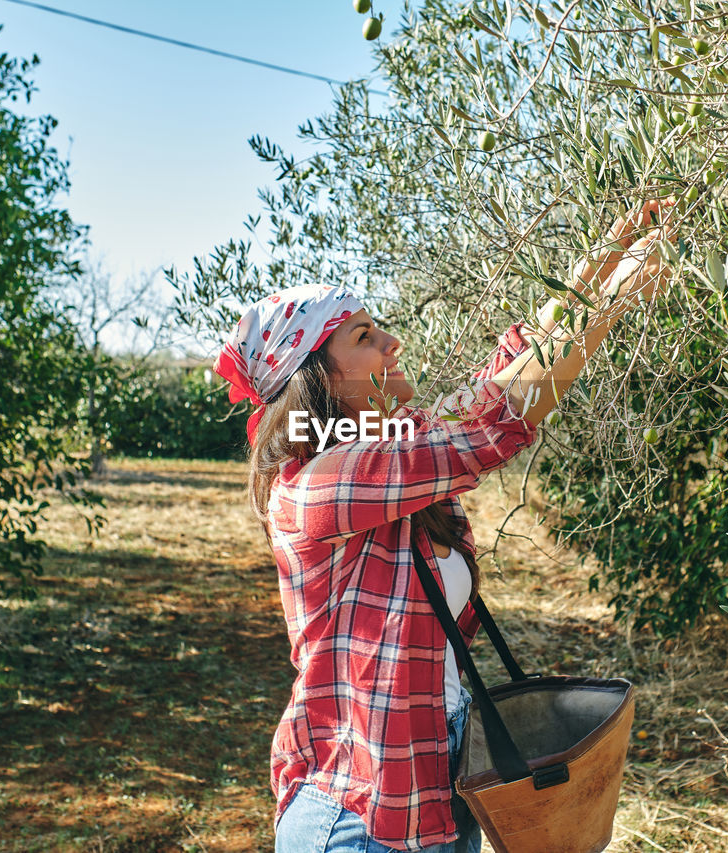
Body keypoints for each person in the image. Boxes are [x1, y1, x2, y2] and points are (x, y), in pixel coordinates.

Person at [212, 198, 674, 853]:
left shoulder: (390, 451)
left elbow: (496, 383)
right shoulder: (319, 483)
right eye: (365, 335)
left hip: (433, 805)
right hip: (357, 820)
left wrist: (602, 259)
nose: (392, 341)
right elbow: (497, 416)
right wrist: (615, 299)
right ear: (316, 375)